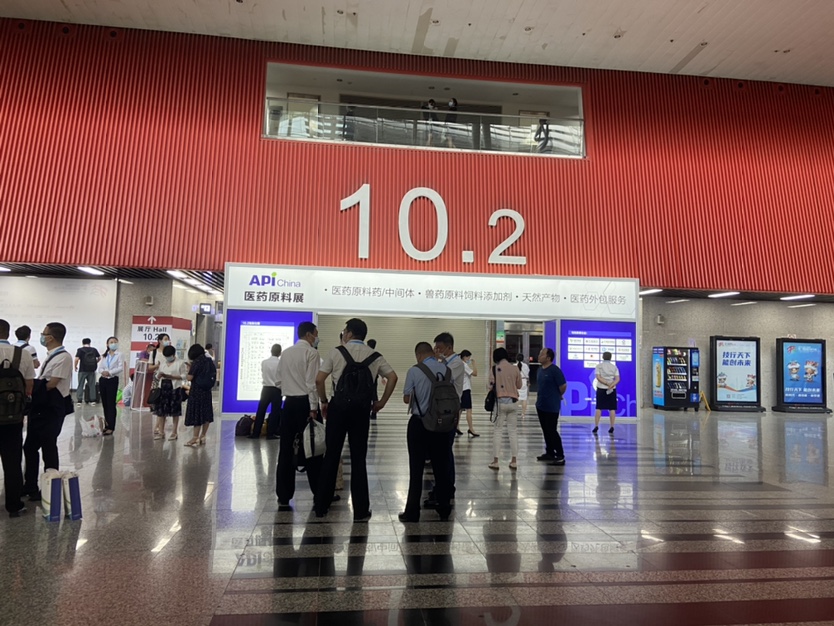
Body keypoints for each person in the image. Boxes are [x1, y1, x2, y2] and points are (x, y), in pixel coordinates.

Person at [314, 318, 397, 521]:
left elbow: (319, 379)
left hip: (338, 408)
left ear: (350, 333)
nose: (343, 334)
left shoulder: (336, 352)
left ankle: (321, 505)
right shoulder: (374, 355)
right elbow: (393, 377)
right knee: (359, 458)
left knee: (331, 455)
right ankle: (360, 510)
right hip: (361, 411)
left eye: (344, 331)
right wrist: (381, 402)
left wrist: (324, 401)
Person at [399, 342, 453, 523]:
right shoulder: (447, 370)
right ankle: (444, 508)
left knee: (416, 468)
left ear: (418, 355)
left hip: (420, 423)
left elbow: (407, 398)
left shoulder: (414, 370)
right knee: (441, 467)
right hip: (441, 424)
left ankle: (412, 512)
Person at [23, 322, 73, 500]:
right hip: (41, 406)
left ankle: (51, 487)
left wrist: (31, 386)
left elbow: (52, 384)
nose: (42, 337)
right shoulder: (52, 355)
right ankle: (30, 485)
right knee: (30, 447)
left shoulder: (63, 357)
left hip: (51, 408)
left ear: (50, 337)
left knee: (48, 447)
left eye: (43, 334)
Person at [275, 322, 322, 507]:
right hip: (306, 404)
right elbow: (312, 383)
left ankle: (283, 495)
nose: (316, 338)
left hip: (289, 404)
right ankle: (318, 491)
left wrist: (290, 387)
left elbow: (278, 381)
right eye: (316, 334)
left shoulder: (286, 353)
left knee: (286, 448)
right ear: (309, 335)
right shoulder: (312, 353)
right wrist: (313, 408)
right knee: (313, 448)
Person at [0, 319, 35, 517]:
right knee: (13, 461)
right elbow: (29, 386)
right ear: (8, 332)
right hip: (13, 417)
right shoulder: (23, 354)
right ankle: (14, 506)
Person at [488, 347, 522, 470]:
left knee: (498, 431)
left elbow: (490, 386)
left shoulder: (494, 369)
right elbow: (519, 385)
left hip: (500, 403)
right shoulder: (515, 368)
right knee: (513, 431)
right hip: (513, 403)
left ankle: (496, 461)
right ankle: (514, 460)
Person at [535, 348, 567, 465]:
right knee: (545, 430)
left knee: (552, 430)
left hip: (552, 406)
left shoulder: (555, 370)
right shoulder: (540, 370)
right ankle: (550, 452)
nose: (539, 356)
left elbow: (563, 386)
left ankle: (560, 455)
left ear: (548, 358)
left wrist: (557, 395)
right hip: (541, 405)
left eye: (542, 354)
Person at [153, 345, 188, 440]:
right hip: (163, 388)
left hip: (174, 388)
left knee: (175, 411)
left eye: (169, 356)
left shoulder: (180, 363)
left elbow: (184, 376)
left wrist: (172, 377)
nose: (167, 358)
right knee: (161, 411)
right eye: (166, 356)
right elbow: (156, 376)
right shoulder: (163, 363)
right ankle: (161, 431)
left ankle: (174, 432)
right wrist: (159, 375)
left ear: (173, 354)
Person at [184, 344, 215, 446]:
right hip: (207, 390)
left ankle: (195, 437)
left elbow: (189, 378)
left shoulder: (196, 362)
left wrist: (189, 369)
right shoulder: (209, 361)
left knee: (197, 413)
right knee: (206, 413)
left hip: (197, 391)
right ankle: (203, 436)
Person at [250, 344, 282, 440]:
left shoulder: (264, 362)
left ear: (271, 351)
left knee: (261, 410)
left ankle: (256, 433)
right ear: (280, 353)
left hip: (266, 389)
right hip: (277, 389)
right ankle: (270, 434)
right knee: (275, 412)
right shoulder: (281, 363)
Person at [98, 336, 123, 436]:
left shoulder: (119, 355)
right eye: (111, 342)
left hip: (112, 380)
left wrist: (110, 372)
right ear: (107, 344)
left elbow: (120, 367)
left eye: (115, 342)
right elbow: (100, 368)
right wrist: (103, 372)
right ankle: (107, 425)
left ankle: (111, 427)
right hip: (103, 380)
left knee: (111, 404)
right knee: (105, 404)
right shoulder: (105, 355)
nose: (113, 344)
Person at [593, 351, 621, 434]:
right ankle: (612, 426)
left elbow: (598, 377)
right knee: (612, 408)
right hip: (612, 389)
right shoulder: (614, 367)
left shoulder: (599, 366)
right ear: (610, 358)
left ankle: (596, 426)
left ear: (603, 357)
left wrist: (606, 383)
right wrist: (611, 384)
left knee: (599, 408)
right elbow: (617, 379)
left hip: (601, 388)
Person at [74, 337, 101, 406]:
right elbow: (99, 357)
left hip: (82, 370)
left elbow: (76, 359)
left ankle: (79, 400)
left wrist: (75, 366)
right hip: (91, 370)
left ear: (82, 343)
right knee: (92, 385)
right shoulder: (94, 350)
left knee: (80, 385)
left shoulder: (80, 350)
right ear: (89, 343)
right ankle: (92, 400)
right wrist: (95, 363)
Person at [460, 350, 479, 437]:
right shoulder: (464, 365)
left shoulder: (460, 364)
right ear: (465, 357)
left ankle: (456, 426)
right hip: (466, 389)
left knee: (460, 410)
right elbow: (475, 373)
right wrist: (474, 364)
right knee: (469, 410)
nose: (469, 359)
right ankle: (471, 428)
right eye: (469, 357)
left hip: (461, 389)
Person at [367, 339, 379, 420]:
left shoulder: (365, 354)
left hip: (366, 378)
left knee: (366, 395)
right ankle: (374, 413)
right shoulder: (376, 355)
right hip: (375, 378)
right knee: (374, 395)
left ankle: (367, 411)